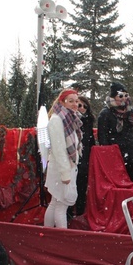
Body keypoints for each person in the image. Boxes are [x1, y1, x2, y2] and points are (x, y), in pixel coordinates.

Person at [44, 89, 82, 228]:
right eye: (70, 101)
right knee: (61, 205)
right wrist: (65, 173)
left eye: (76, 101)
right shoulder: (57, 120)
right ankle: (62, 237)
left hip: (66, 167)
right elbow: (59, 150)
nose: (75, 104)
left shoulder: (69, 118)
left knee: (55, 203)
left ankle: (47, 233)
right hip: (61, 169)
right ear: (62, 102)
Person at [97, 81, 133, 182]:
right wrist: (108, 154)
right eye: (120, 96)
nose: (124, 98)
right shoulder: (105, 113)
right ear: (113, 97)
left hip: (132, 155)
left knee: (131, 182)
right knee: (117, 184)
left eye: (126, 95)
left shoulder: (131, 111)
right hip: (116, 155)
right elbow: (102, 136)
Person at [75, 95, 96, 215]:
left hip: (85, 159)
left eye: (85, 106)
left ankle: (79, 213)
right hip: (73, 158)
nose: (82, 108)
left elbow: (90, 140)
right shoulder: (70, 121)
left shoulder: (88, 121)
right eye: (79, 105)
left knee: (82, 188)